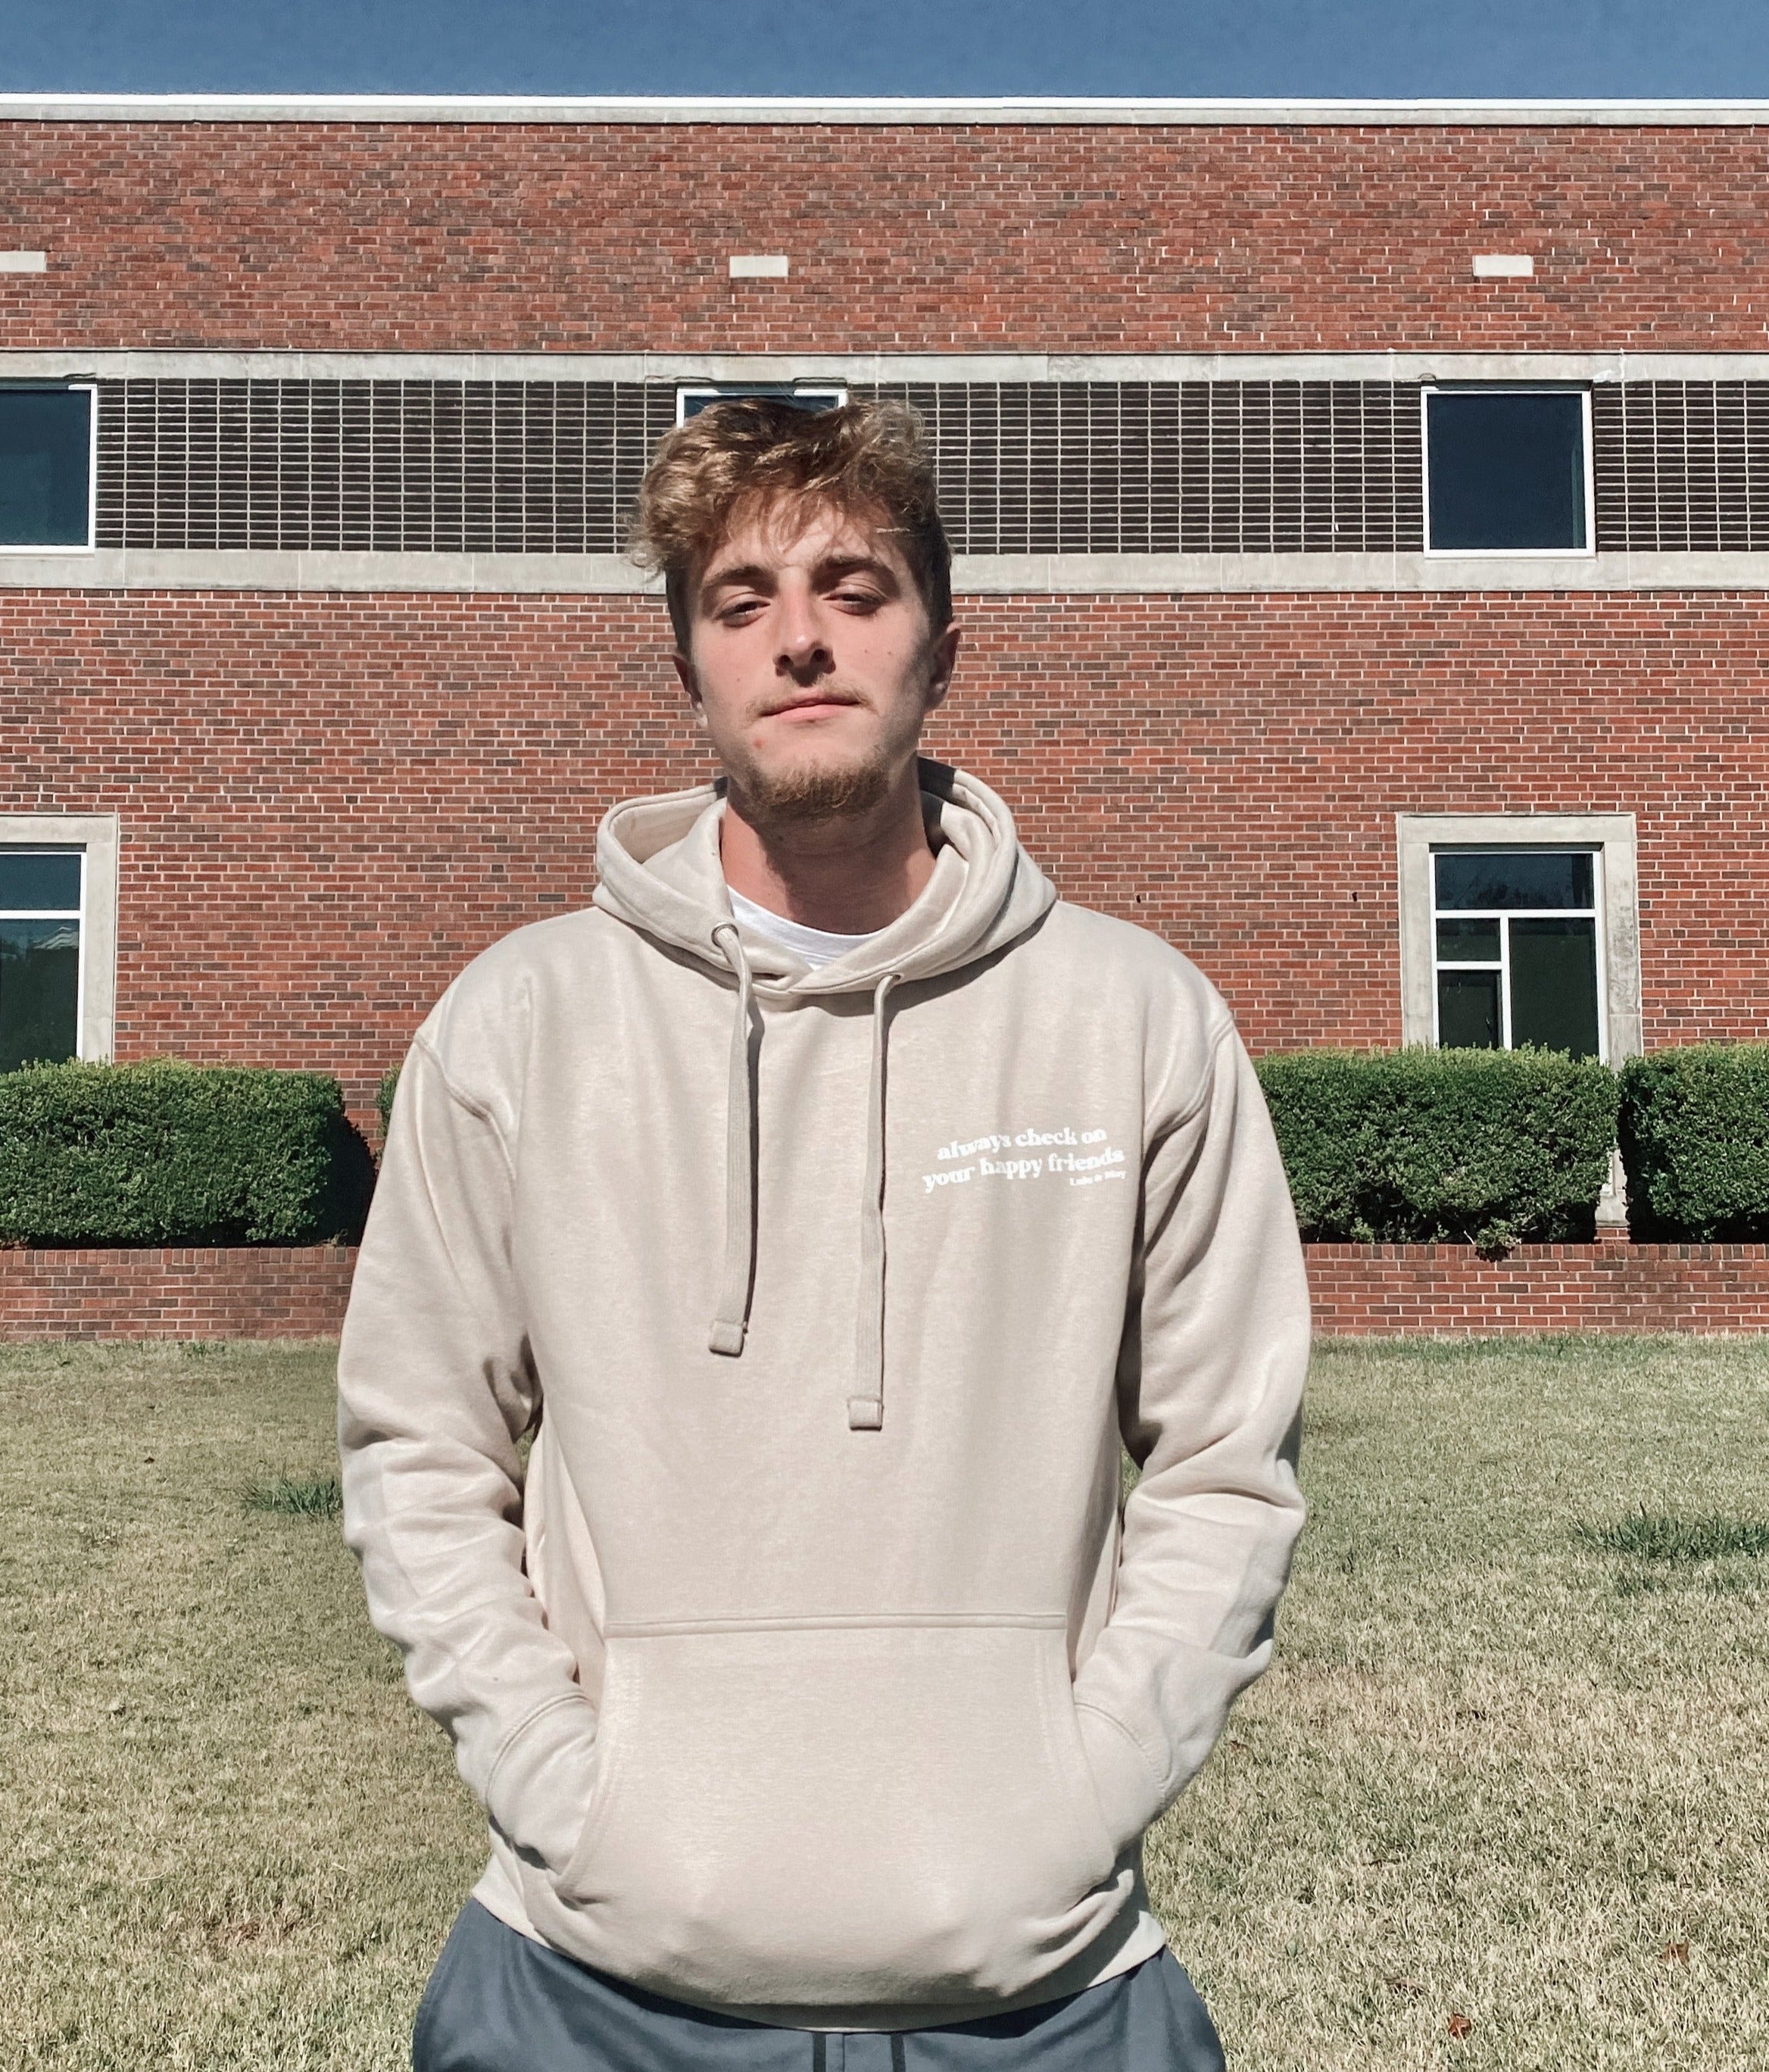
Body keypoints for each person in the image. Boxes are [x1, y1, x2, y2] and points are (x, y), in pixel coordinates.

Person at [337, 398, 1309, 2071]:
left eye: (855, 589)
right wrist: (577, 1801)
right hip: (586, 1994)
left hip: (1045, 1998)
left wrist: (1072, 1802)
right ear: (688, 666)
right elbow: (421, 1454)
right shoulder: (519, 1026)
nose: (800, 640)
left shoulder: (1134, 1019)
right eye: (741, 602)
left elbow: (1226, 1467)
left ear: (943, 640)